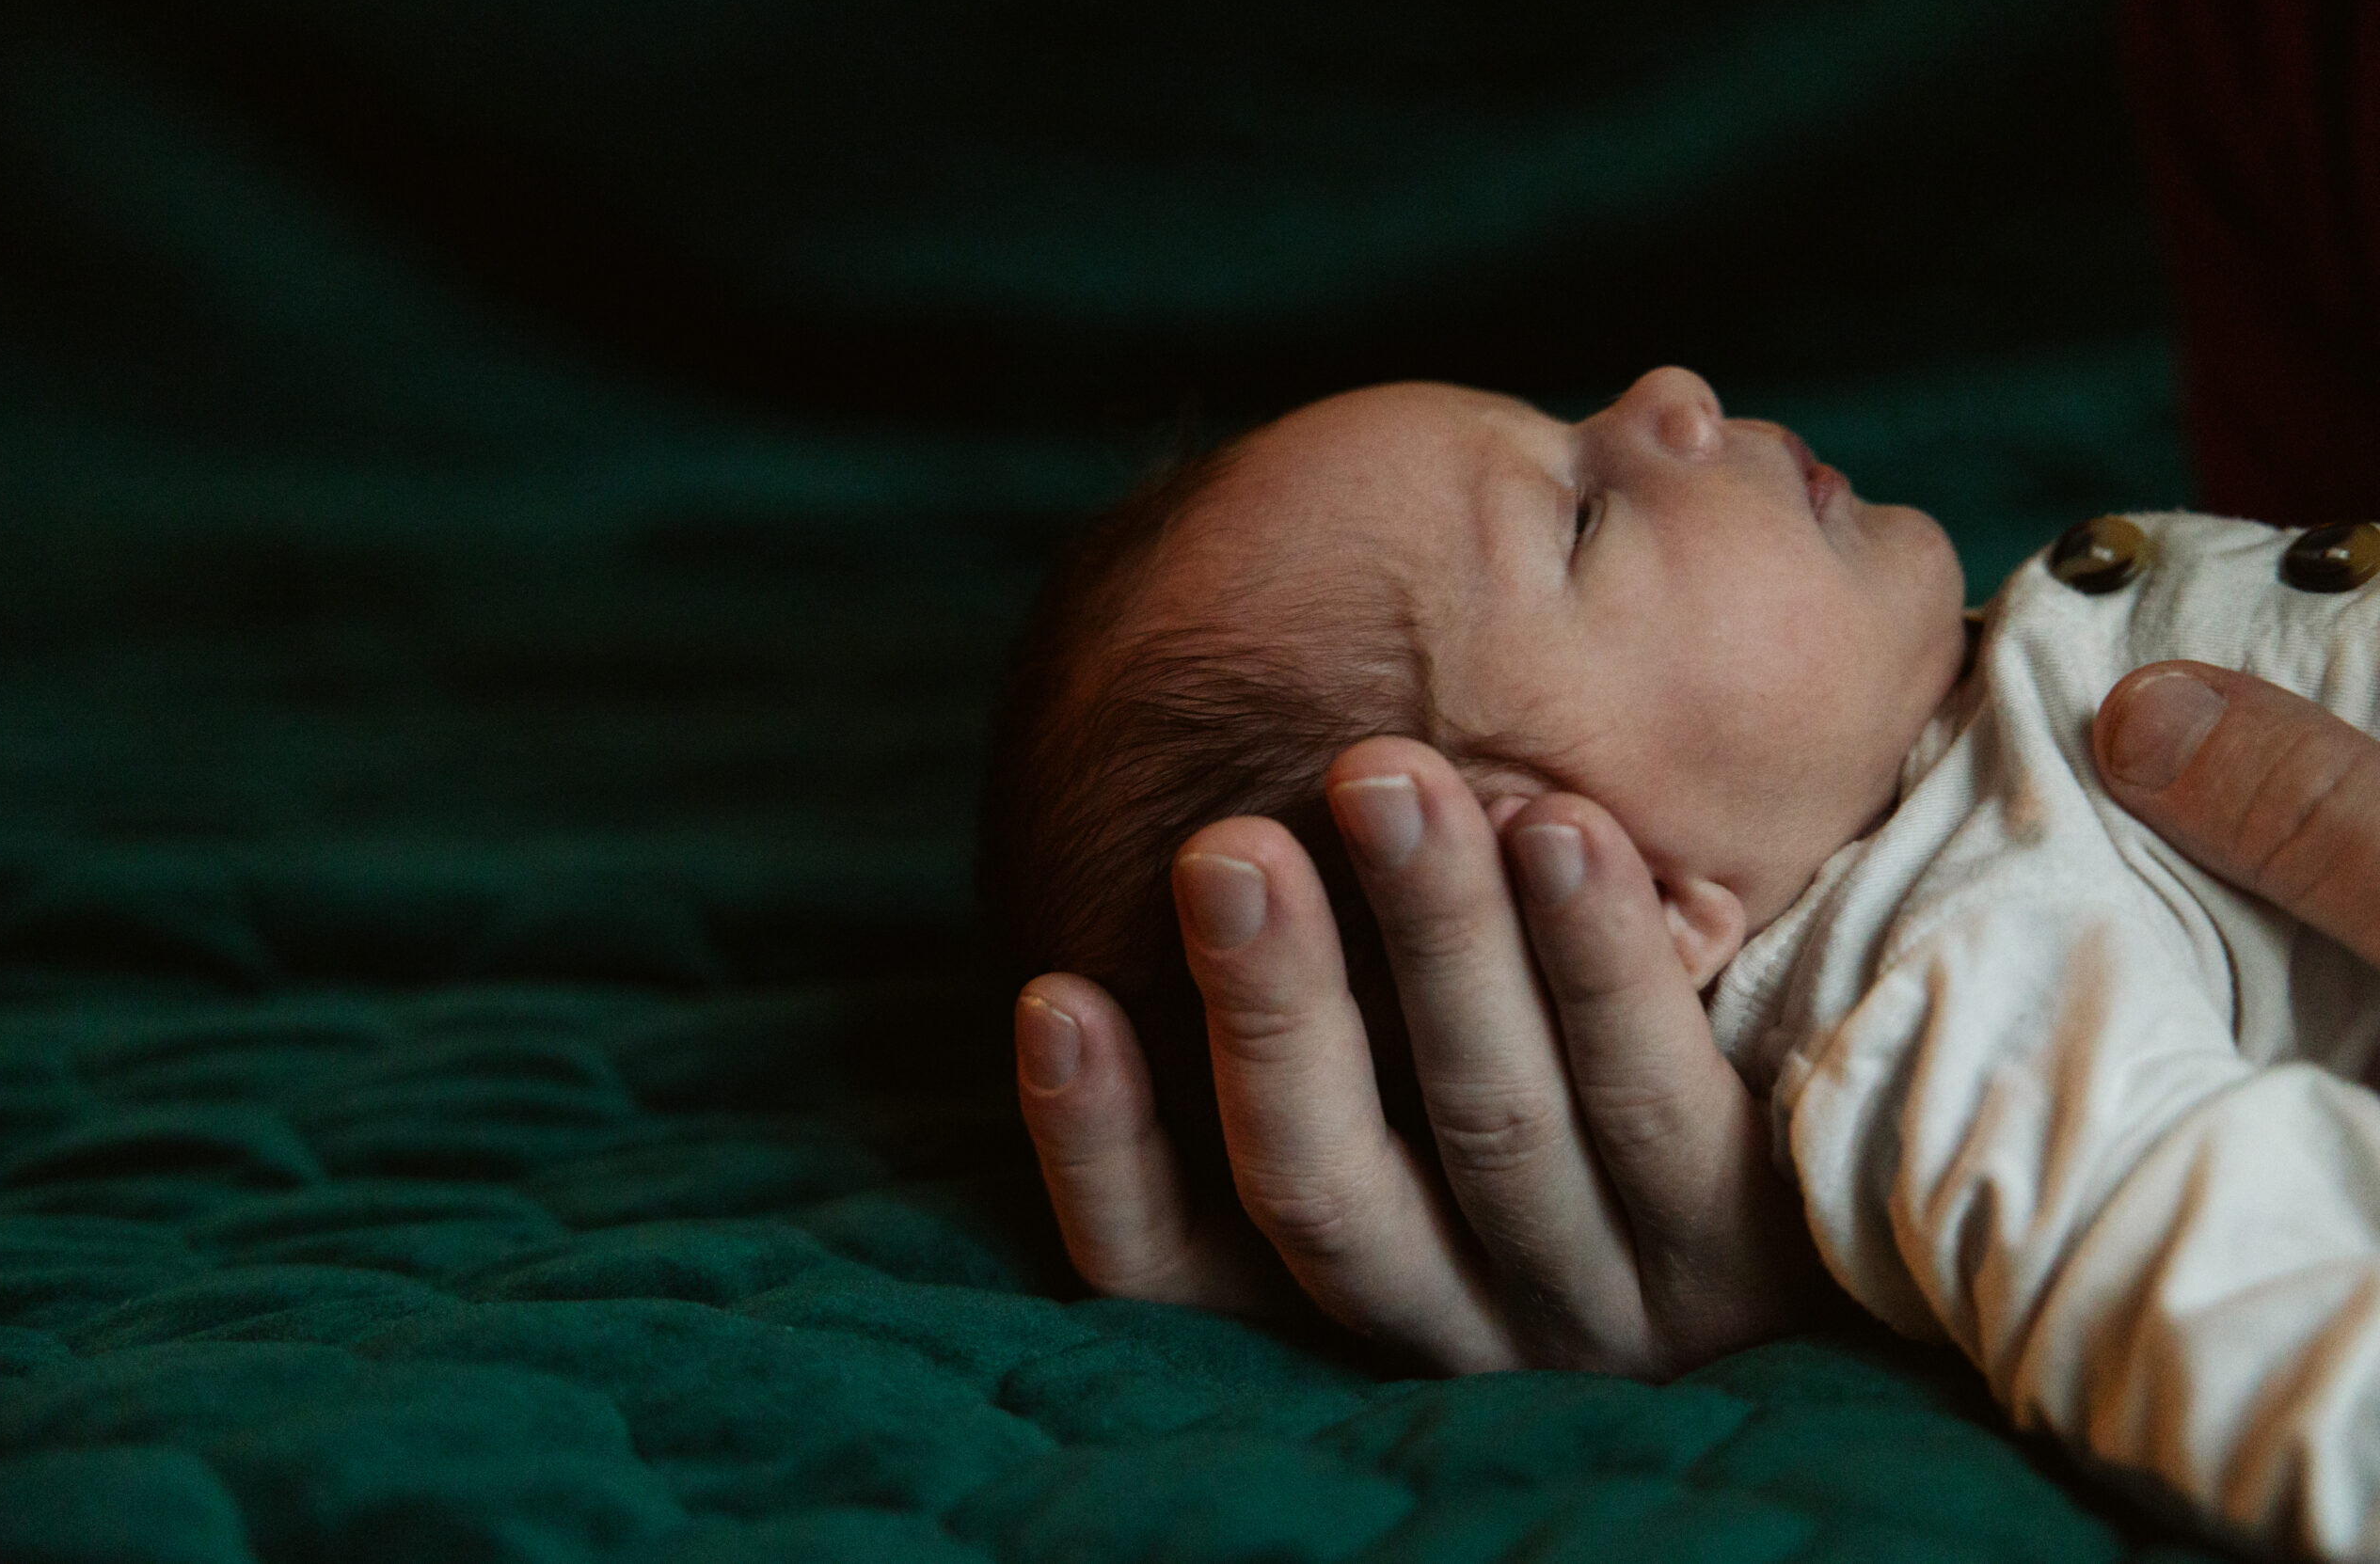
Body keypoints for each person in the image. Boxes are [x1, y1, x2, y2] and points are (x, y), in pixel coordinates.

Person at [984, 363, 2380, 1555]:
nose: (1672, 396)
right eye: (1582, 515)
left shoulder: (1970, 755)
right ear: (1631, 892)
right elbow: (2268, 1328)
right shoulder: (1967, 991)